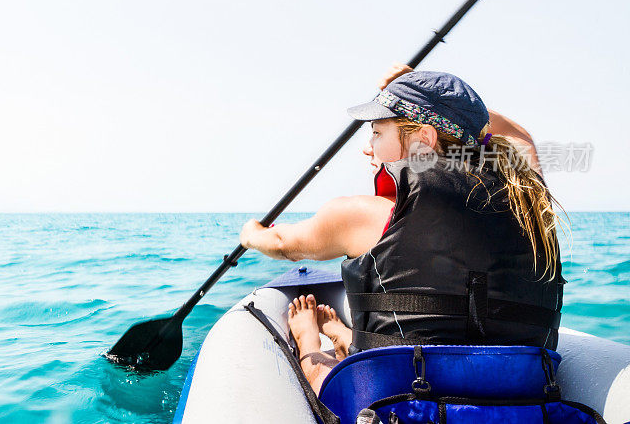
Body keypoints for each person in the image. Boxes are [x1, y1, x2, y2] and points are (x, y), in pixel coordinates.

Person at [239, 65, 565, 395]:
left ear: (424, 140)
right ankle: (341, 334)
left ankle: (311, 338)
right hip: (520, 396)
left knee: (316, 365)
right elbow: (520, 138)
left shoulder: (365, 214)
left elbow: (282, 244)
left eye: (378, 133)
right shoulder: (528, 200)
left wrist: (250, 233)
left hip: (406, 402)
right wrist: (439, 99)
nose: (368, 147)